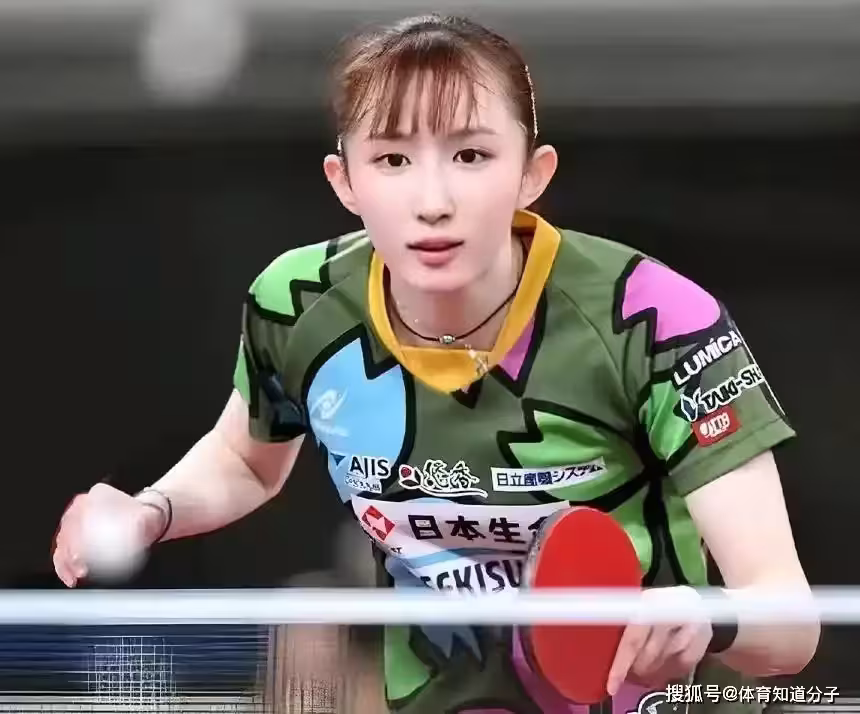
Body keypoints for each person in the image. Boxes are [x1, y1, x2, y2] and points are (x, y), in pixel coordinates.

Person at [52, 13, 819, 714]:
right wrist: (152, 510)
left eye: (471, 154)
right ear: (345, 182)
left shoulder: (653, 321)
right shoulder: (298, 304)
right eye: (391, 158)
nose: (432, 199)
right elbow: (245, 462)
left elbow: (791, 626)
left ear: (533, 174)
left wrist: (706, 619)